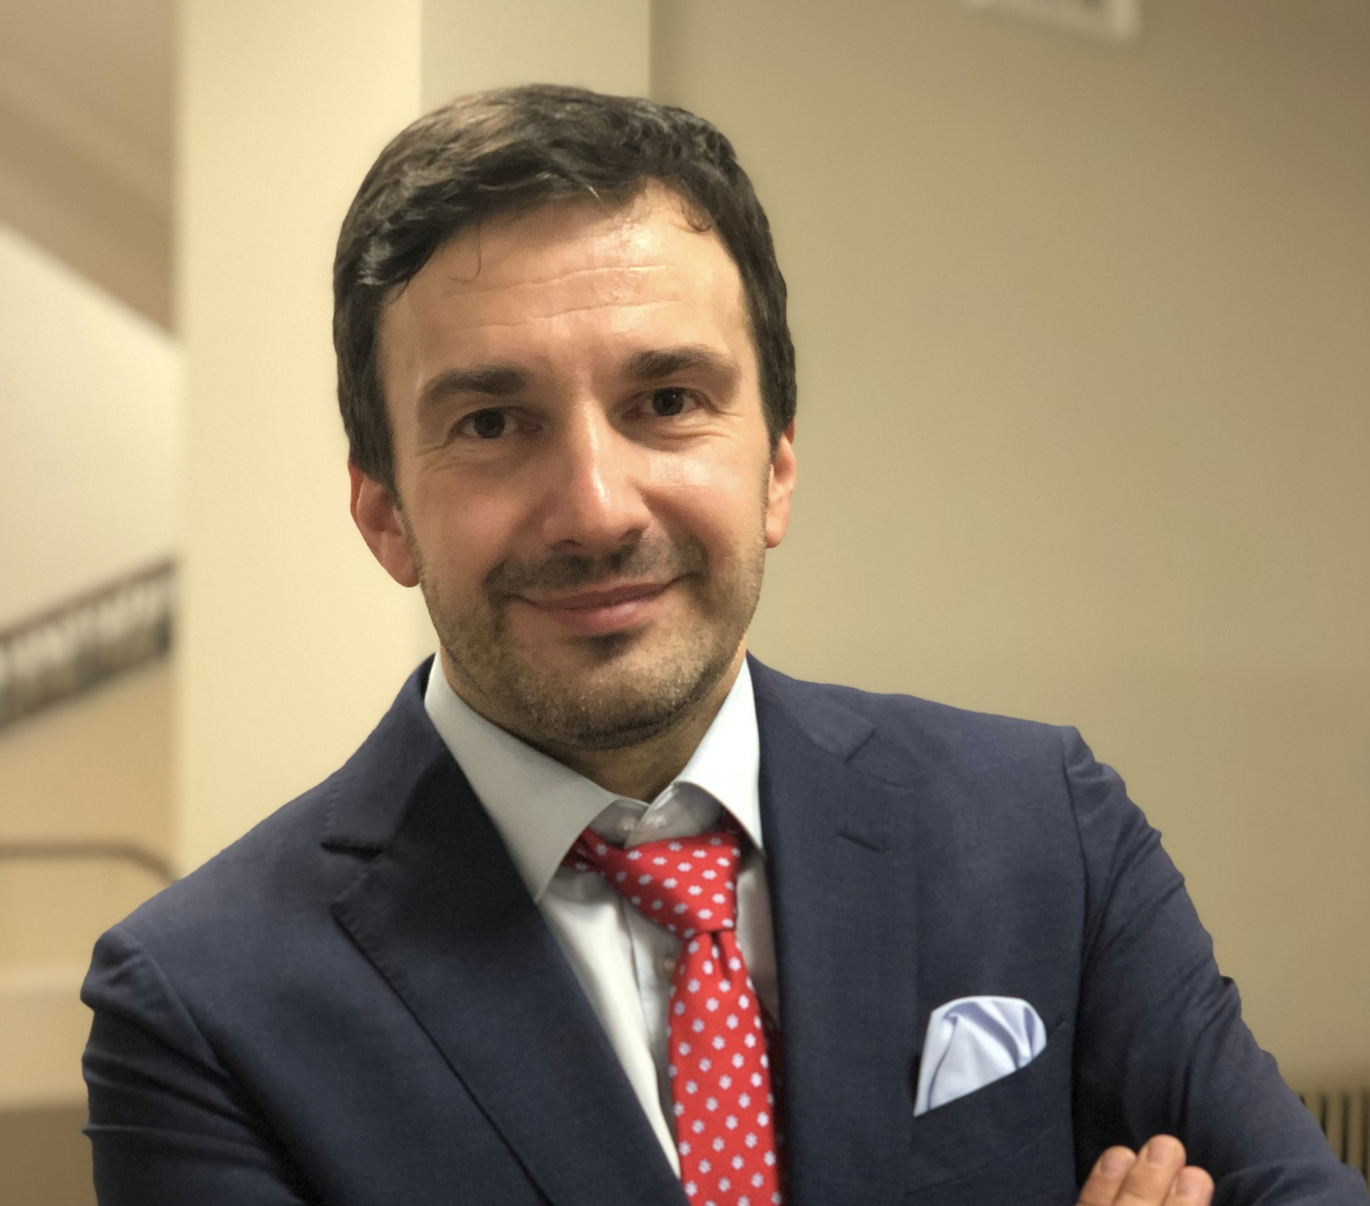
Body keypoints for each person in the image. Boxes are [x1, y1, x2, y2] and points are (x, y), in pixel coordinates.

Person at [81, 85, 1366, 1206]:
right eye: (490, 424)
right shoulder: (202, 1009)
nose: (595, 508)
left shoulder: (1042, 829)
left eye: (666, 400)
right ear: (383, 513)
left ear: (776, 467)